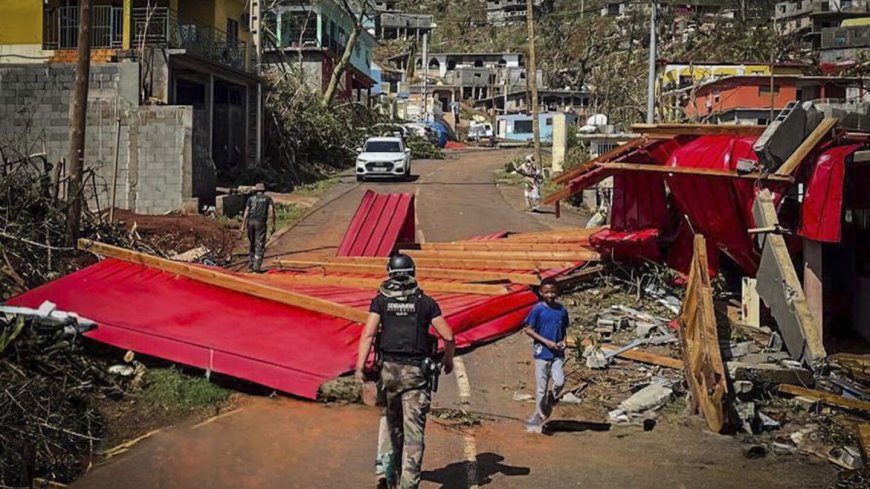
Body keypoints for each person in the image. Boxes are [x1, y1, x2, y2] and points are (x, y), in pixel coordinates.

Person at [355, 254, 455, 489]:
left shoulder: (380, 300)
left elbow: (368, 335)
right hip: (415, 376)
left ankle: (388, 477)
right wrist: (448, 359)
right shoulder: (426, 303)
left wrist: (360, 368)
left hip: (388, 374)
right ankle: (408, 485)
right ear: (413, 272)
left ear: (389, 273)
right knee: (413, 435)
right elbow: (448, 336)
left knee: (391, 426)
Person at [523, 277, 569, 432]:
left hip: (557, 353)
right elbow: (528, 329)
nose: (550, 295)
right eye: (547, 292)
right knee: (541, 388)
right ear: (541, 293)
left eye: (553, 292)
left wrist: (564, 341)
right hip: (542, 353)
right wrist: (546, 342)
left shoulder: (562, 310)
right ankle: (538, 416)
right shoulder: (538, 310)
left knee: (560, 381)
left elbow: (563, 330)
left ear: (557, 292)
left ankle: (553, 397)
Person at [240, 182, 275, 273]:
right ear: (263, 191)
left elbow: (246, 211)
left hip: (250, 222)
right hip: (260, 223)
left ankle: (251, 265)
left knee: (252, 243)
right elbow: (271, 211)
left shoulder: (250, 199)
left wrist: (243, 225)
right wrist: (273, 224)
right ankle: (256, 267)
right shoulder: (268, 199)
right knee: (259, 244)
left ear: (256, 191)